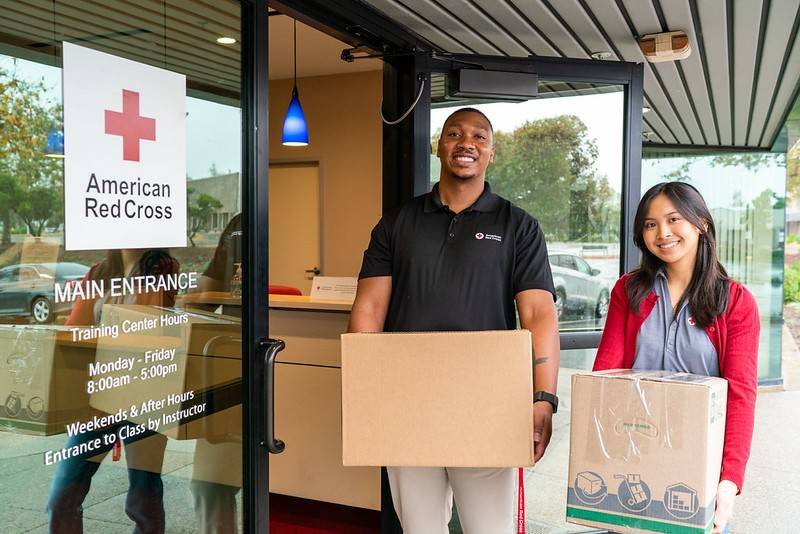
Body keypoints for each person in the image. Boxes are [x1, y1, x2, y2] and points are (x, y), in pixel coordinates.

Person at [349, 107, 560, 533]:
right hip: (408, 400)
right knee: (419, 528)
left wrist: (543, 398)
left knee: (489, 529)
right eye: (454, 134)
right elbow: (369, 309)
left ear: (491, 153)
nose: (466, 143)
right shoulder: (397, 222)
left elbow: (538, 314)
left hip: (489, 401)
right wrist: (364, 393)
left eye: (479, 137)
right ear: (439, 145)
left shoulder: (518, 226)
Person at [593, 182, 759, 534]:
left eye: (673, 219)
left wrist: (729, 482)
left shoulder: (735, 303)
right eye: (650, 224)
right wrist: (597, 457)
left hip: (699, 467)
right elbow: (605, 379)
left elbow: (741, 397)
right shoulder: (629, 292)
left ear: (701, 223)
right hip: (631, 458)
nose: (662, 233)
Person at [48, 249, 178, 534]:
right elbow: (76, 328)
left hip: (146, 391)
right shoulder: (99, 272)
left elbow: (145, 326)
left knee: (144, 498)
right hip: (98, 396)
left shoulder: (162, 268)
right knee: (63, 497)